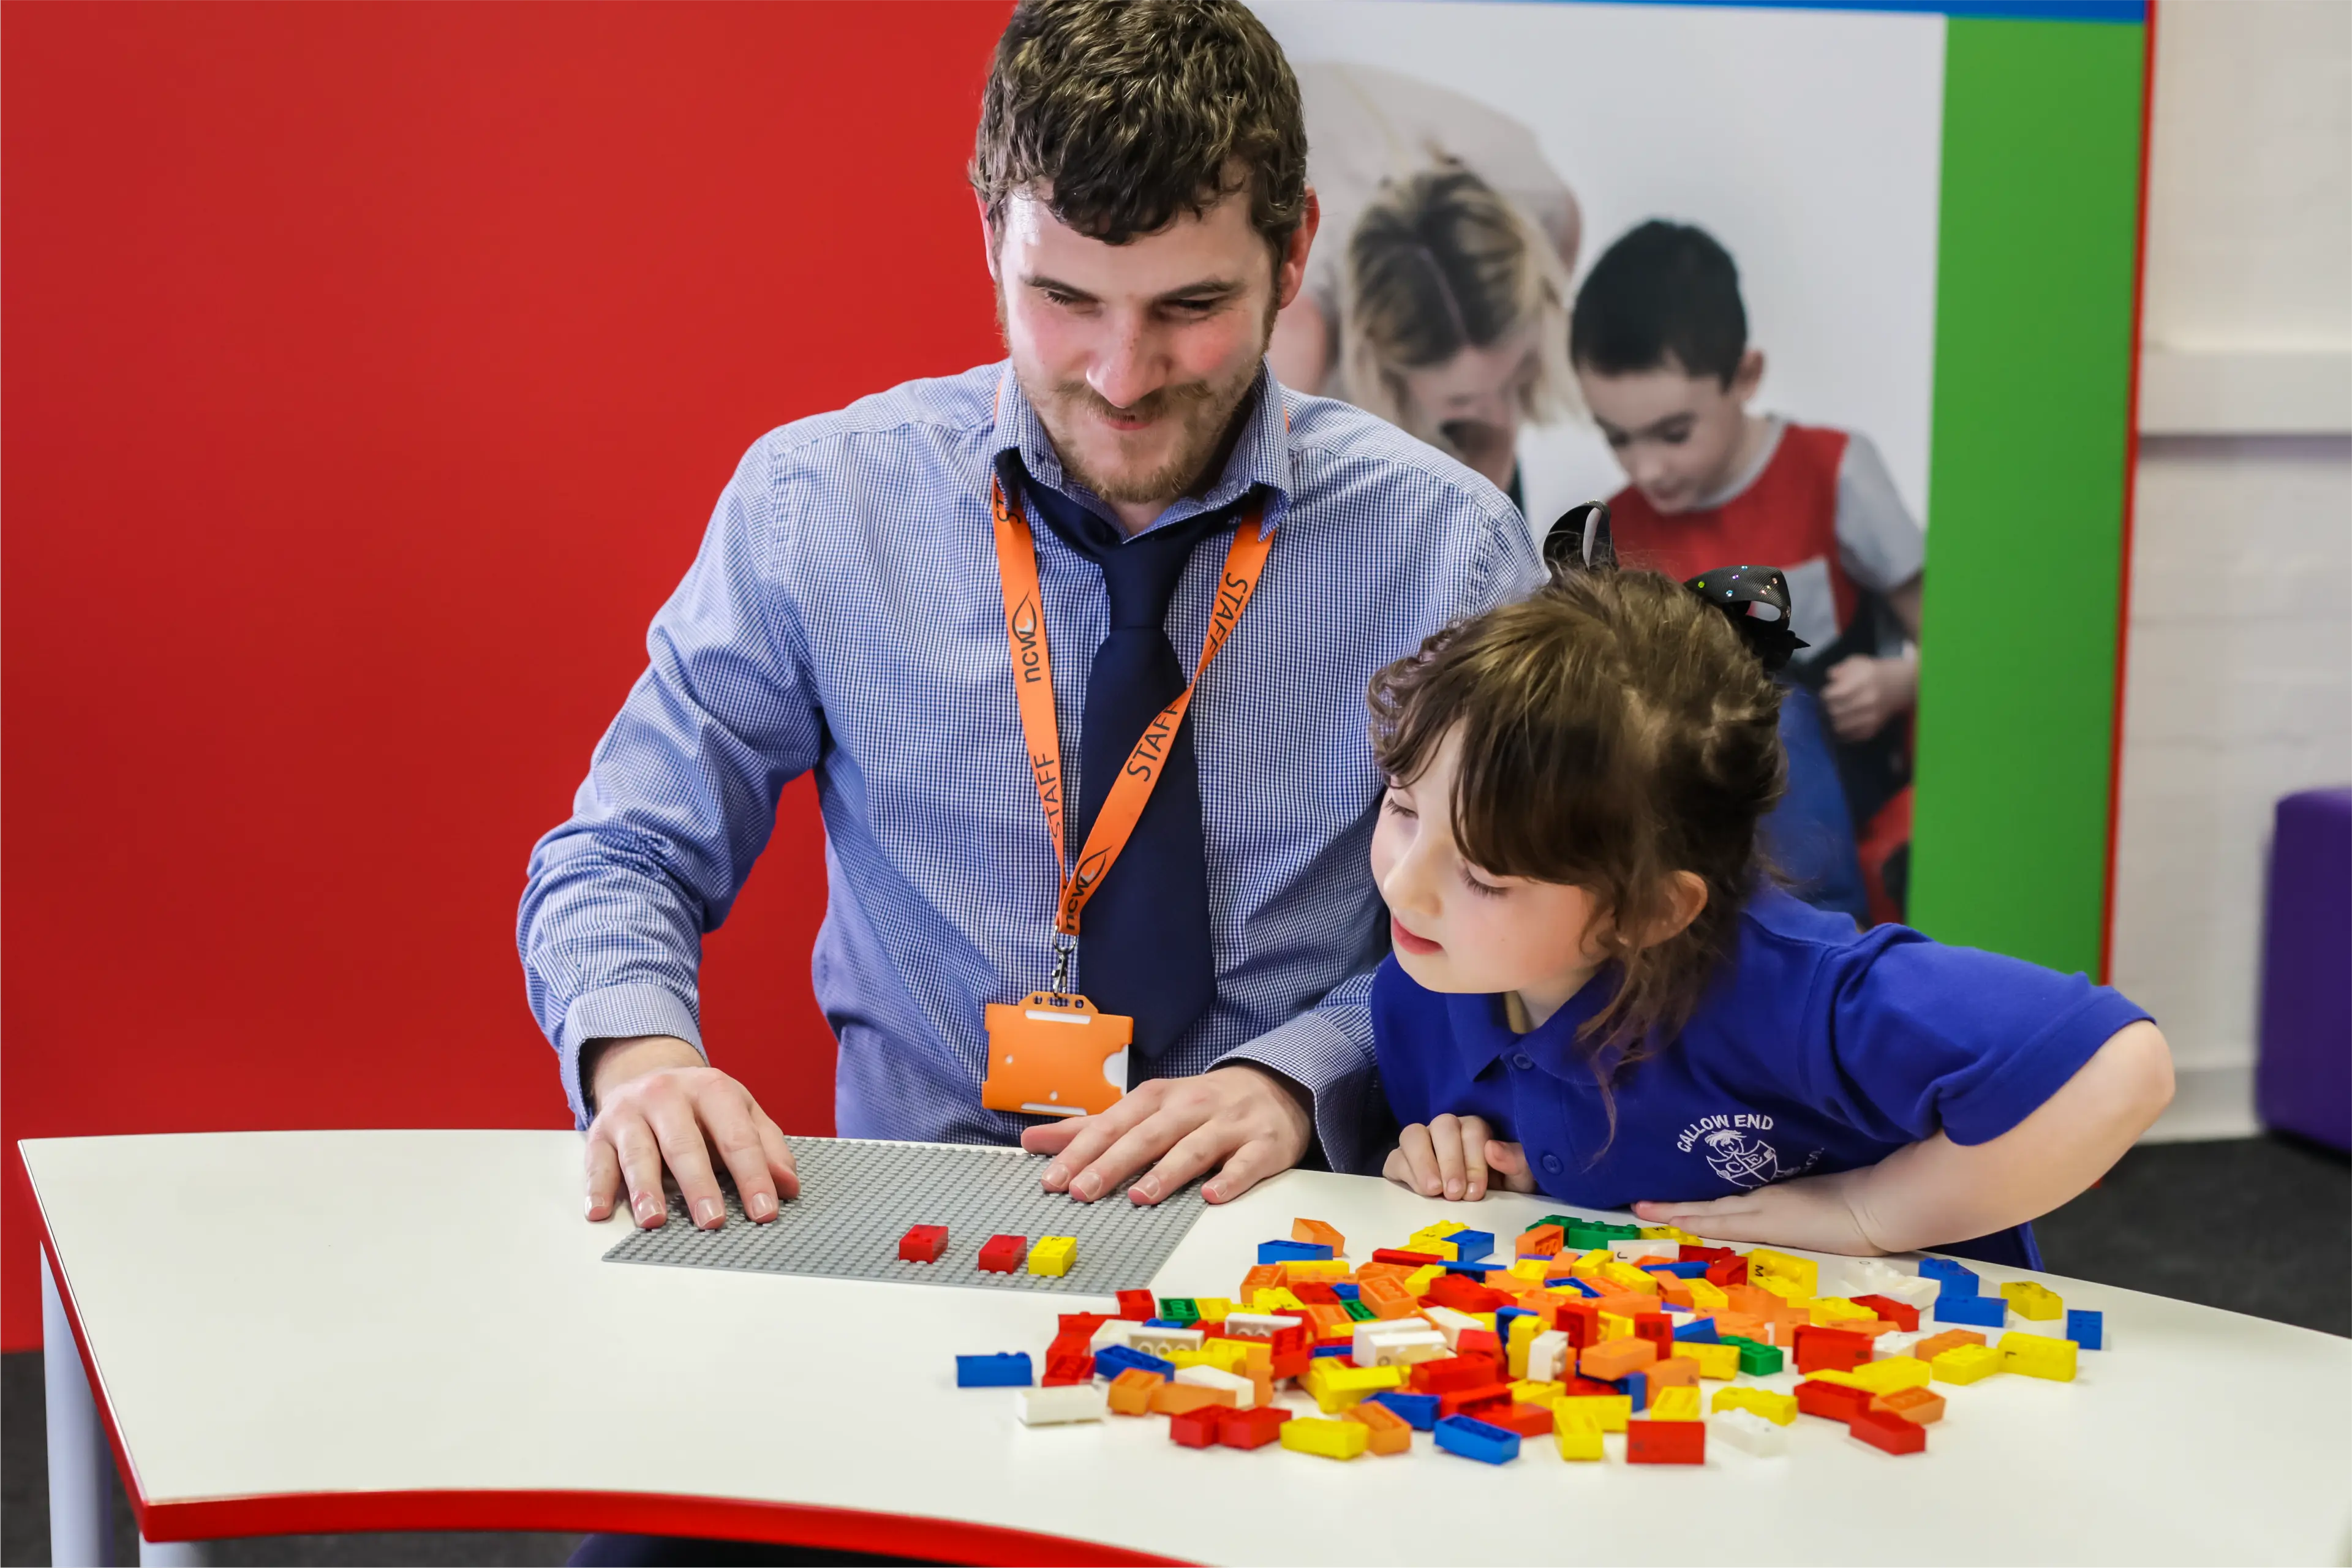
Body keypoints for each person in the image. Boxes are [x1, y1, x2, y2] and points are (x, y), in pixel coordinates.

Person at [516, 0, 1540, 1246]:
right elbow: (619, 851)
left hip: (1303, 1226)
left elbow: (1542, 917)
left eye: (1189, 305)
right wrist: (640, 1062)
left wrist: (1296, 1073)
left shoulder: (1453, 544)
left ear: (1293, 252)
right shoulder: (818, 506)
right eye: (1063, 297)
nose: (1122, 375)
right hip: (920, 1223)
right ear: (989, 237)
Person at [1361, 560, 2173, 1266]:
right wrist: (1446, 1162)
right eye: (1402, 808)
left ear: (1649, 911)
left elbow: (2123, 1069)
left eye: (1482, 875)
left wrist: (1868, 1211)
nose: (1402, 887)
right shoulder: (1421, 985)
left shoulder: (1794, 994)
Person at [1572, 219, 1921, 922]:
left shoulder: (1833, 473)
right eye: (1617, 439)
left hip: (1847, 816)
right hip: (1696, 842)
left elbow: (1962, 644)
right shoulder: (1613, 533)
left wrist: (1900, 681)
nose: (1648, 469)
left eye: (1674, 433)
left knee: (1779, 713)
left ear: (1747, 376)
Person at [1268, 63, 1578, 510]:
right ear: (1379, 357)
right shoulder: (1299, 331)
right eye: (1463, 396)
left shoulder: (1542, 203)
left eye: (1511, 373)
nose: (1495, 410)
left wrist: (1493, 450)